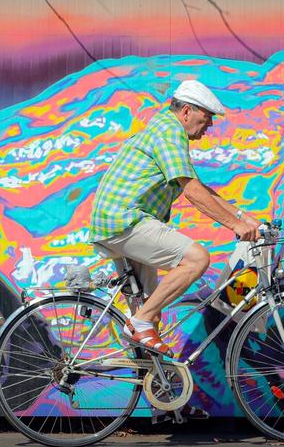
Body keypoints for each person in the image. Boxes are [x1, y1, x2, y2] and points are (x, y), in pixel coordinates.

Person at [89, 79, 261, 359]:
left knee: (149, 324)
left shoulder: (166, 131)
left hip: (121, 223)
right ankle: (140, 321)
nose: (210, 127)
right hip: (124, 222)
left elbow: (197, 185)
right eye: (207, 118)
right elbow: (191, 191)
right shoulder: (169, 134)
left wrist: (242, 216)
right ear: (186, 113)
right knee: (196, 259)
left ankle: (165, 399)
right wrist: (235, 225)